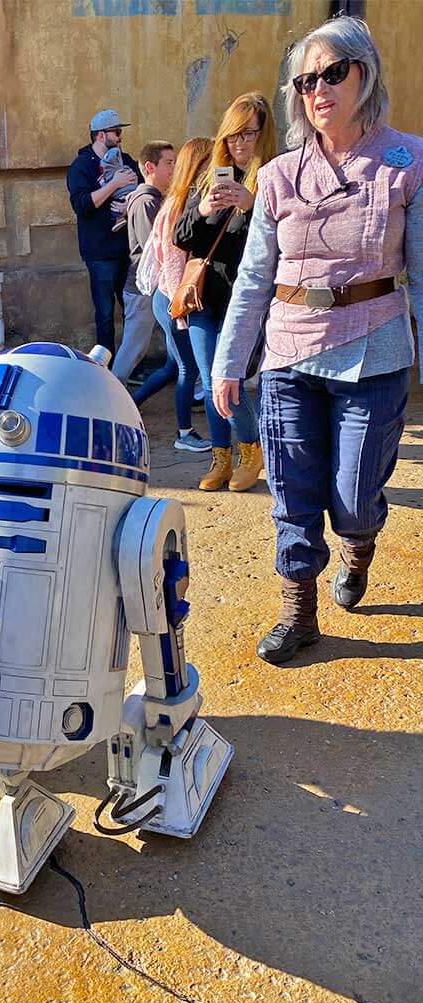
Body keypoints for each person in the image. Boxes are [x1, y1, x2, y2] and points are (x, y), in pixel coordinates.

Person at [212, 16, 421, 664]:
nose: (318, 89)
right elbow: (253, 279)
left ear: (365, 72)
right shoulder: (277, 176)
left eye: (333, 73)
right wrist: (228, 362)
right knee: (293, 491)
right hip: (289, 352)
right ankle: (298, 611)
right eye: (306, 80)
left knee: (355, 497)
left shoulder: (408, 159)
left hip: (376, 345)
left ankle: (359, 545)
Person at [174, 92, 276, 491]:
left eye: (249, 135)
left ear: (264, 135)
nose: (240, 144)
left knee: (226, 374)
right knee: (209, 374)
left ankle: (250, 448)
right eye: (233, 136)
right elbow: (180, 237)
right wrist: (202, 211)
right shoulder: (210, 178)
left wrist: (252, 207)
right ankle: (221, 458)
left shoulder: (271, 178)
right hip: (202, 298)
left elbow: (280, 242)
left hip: (243, 299)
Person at [132, 137, 214, 454]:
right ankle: (184, 433)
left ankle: (128, 403)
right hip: (171, 299)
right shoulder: (176, 205)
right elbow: (169, 263)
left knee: (172, 366)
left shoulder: (180, 200)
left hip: (170, 299)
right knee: (187, 369)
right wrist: (181, 312)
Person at [67, 108, 140, 354]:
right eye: (116, 132)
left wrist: (128, 205)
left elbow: (142, 191)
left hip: (127, 248)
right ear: (100, 135)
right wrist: (114, 185)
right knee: (105, 314)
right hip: (99, 253)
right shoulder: (81, 166)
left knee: (134, 310)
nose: (120, 136)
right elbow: (82, 205)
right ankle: (105, 367)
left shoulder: (126, 160)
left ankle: (131, 363)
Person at [111, 140, 175, 383]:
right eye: (169, 163)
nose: (174, 169)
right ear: (150, 167)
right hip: (143, 289)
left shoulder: (150, 199)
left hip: (147, 287)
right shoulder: (147, 201)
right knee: (133, 350)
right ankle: (108, 396)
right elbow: (155, 246)